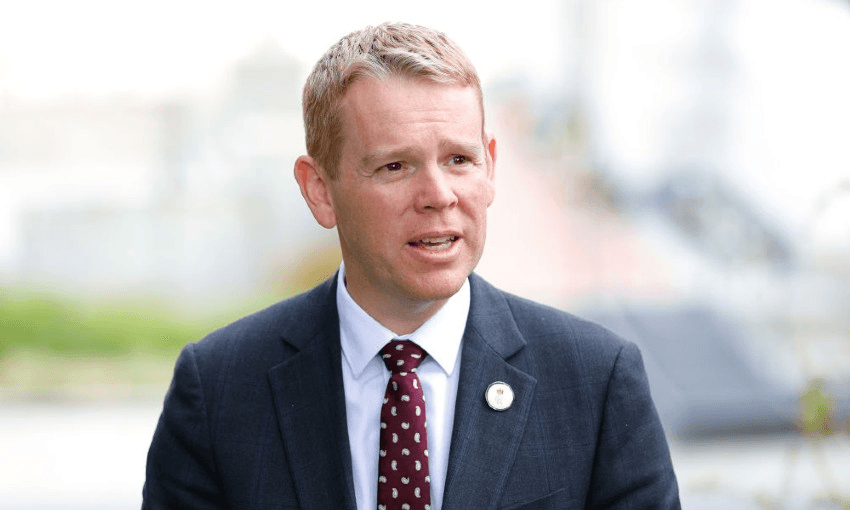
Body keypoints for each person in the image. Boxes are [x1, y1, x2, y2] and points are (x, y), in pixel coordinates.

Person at [143, 22, 680, 510]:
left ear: (490, 167)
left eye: (459, 160)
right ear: (320, 191)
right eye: (395, 166)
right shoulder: (218, 390)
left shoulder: (596, 381)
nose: (438, 195)